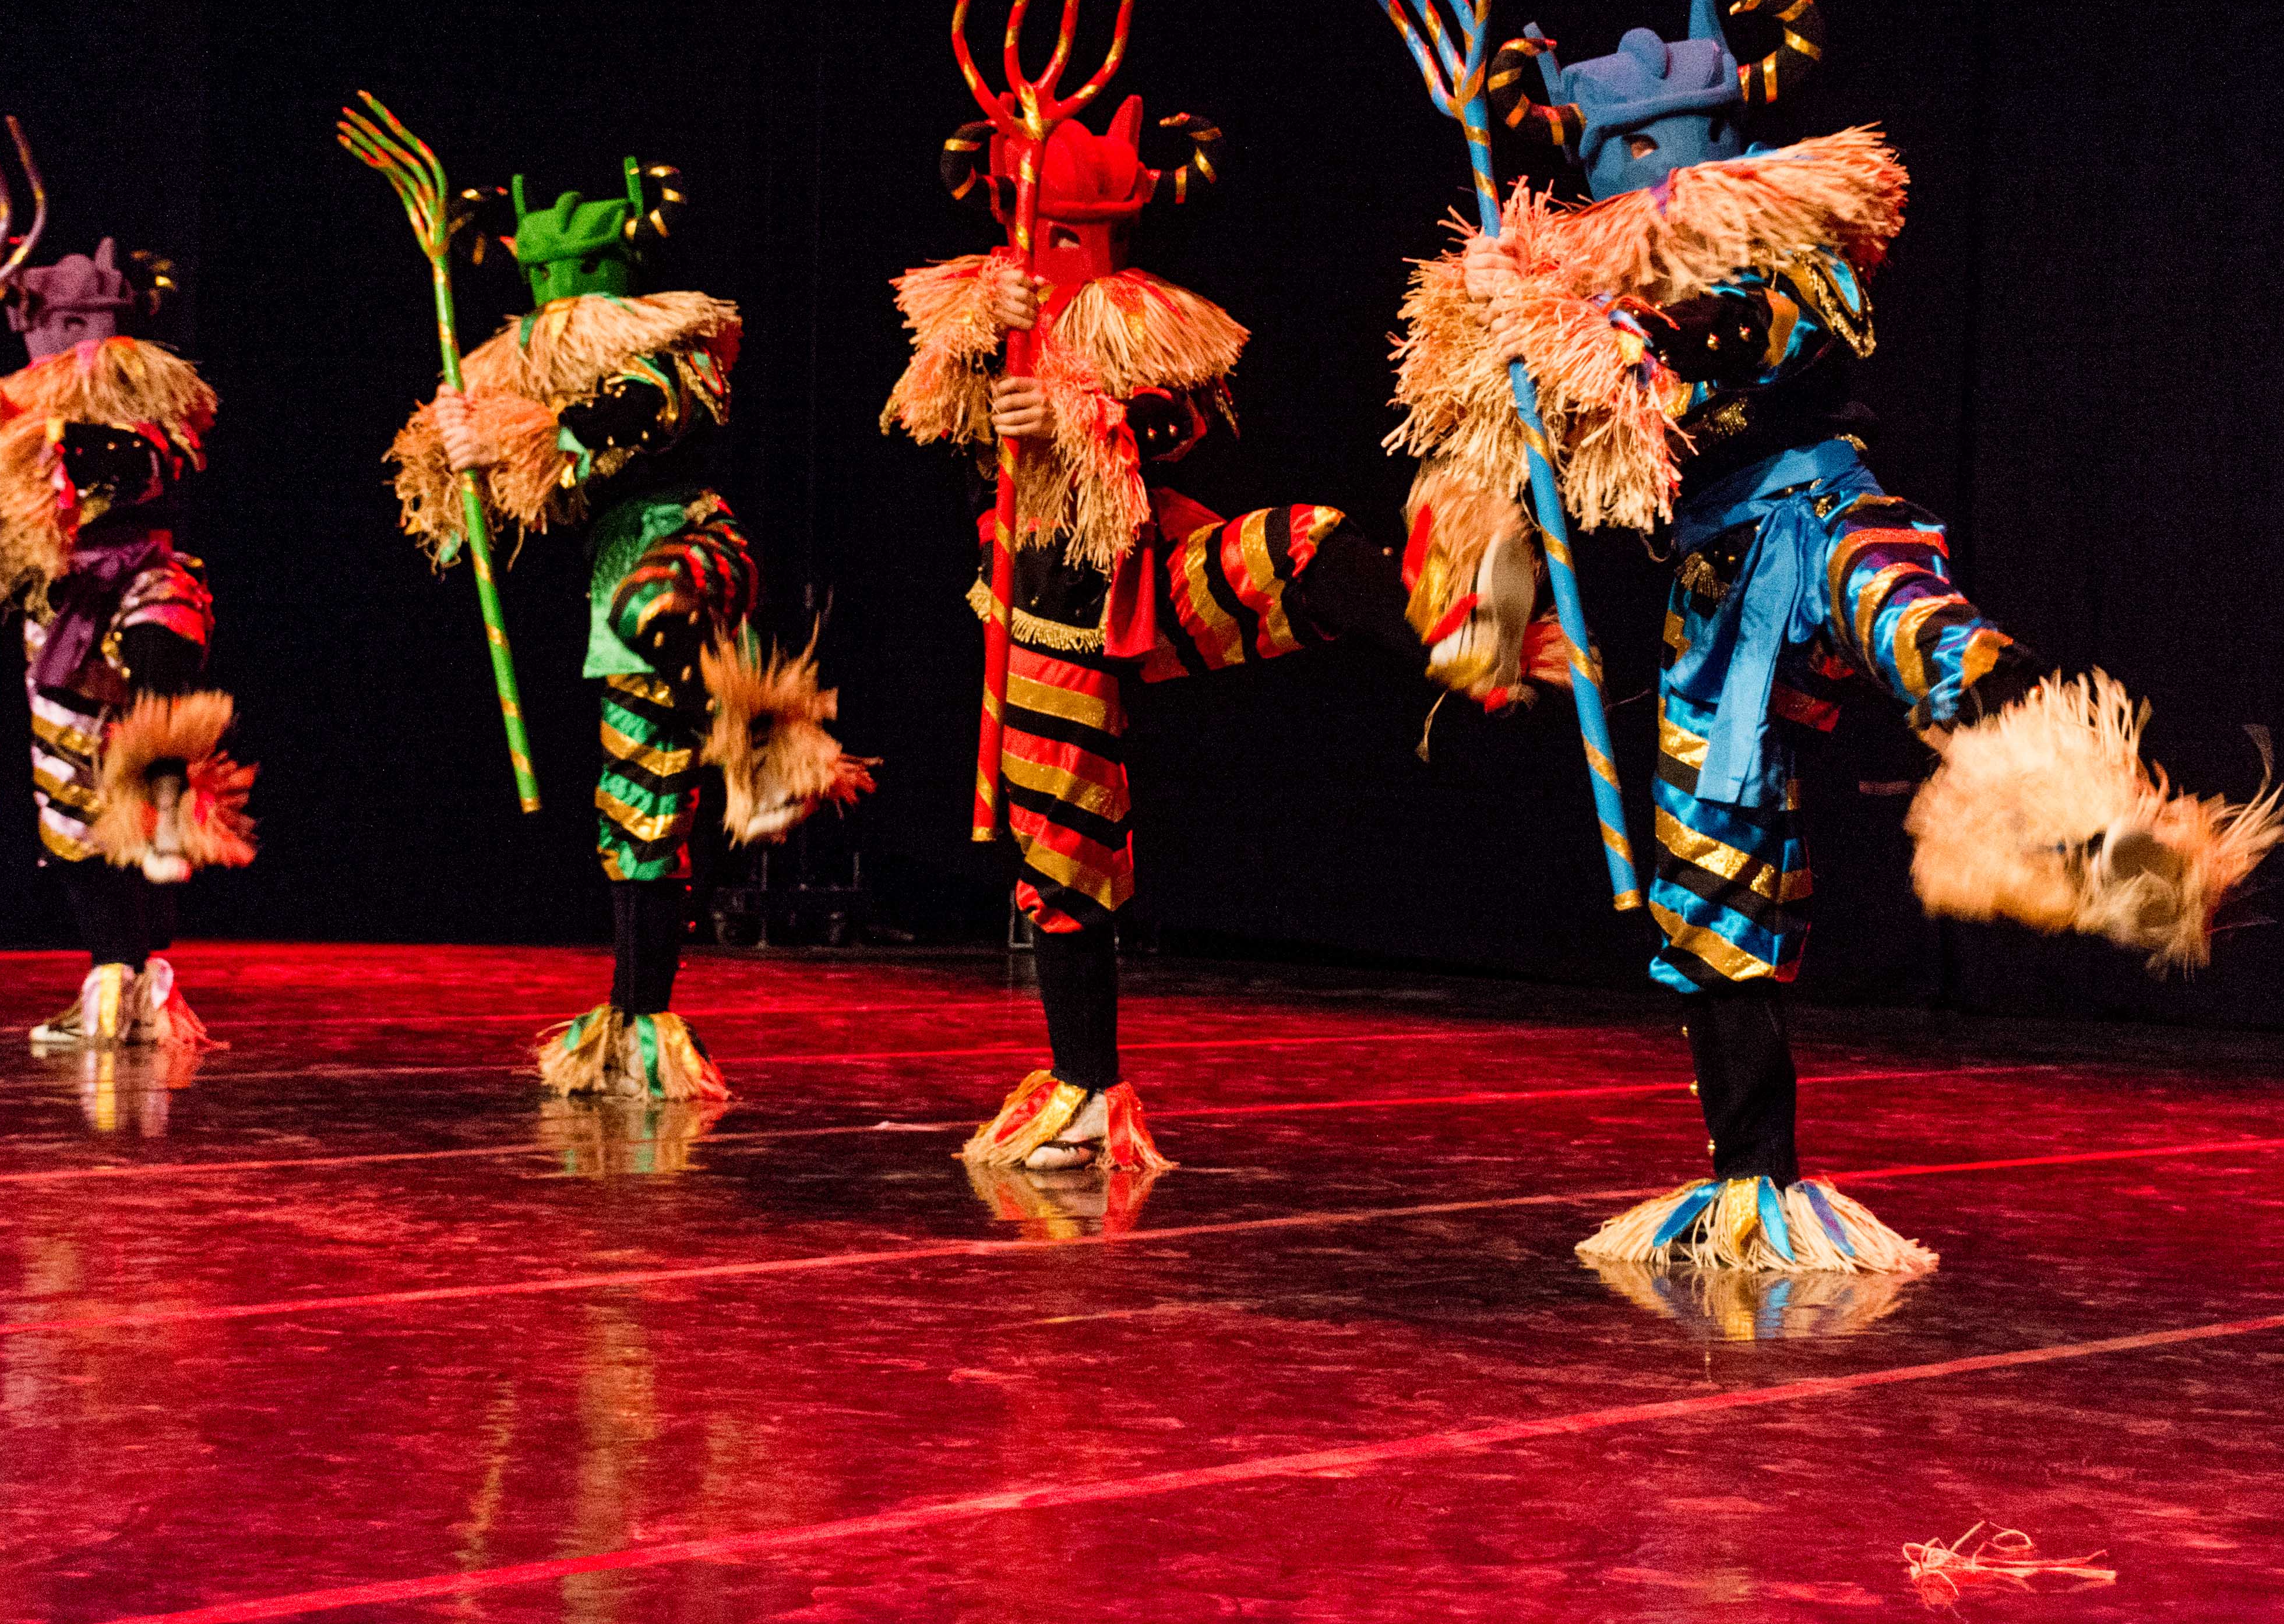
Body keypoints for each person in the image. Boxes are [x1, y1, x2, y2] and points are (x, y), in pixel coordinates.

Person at [1393, 0, 2284, 1273]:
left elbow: (1771, 330)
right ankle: (1754, 1183)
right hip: (1713, 586)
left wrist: (1655, 334)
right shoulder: (1588, 322)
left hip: (1821, 515)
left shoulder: (1784, 259)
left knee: (1929, 636)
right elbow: (1555, 452)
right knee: (1708, 870)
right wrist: (1508, 402)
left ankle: (2119, 844)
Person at [886, 94, 1557, 1174]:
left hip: (1151, 581)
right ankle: (1085, 1087)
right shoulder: (983, 310)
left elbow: (1185, 417)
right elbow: (930, 412)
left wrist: (1071, 414)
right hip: (1046, 621)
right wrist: (984, 365)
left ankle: (1462, 639)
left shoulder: (1132, 316)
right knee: (1064, 855)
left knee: (1307, 547)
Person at [394, 161, 865, 1100]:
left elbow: (635, 415)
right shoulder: (544, 392)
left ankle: (769, 747)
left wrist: (519, 436)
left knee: (651, 607)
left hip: (694, 552)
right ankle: (638, 1024)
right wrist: (458, 456)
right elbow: (509, 511)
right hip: (615, 610)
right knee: (637, 819)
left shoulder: (664, 361)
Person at [0, 239, 254, 1050]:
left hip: (144, 586)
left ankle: (158, 828)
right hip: (61, 612)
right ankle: (113, 974)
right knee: (68, 807)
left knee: (158, 677)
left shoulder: (144, 421)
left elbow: (123, 466)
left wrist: (21, 421)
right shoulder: (17, 432)